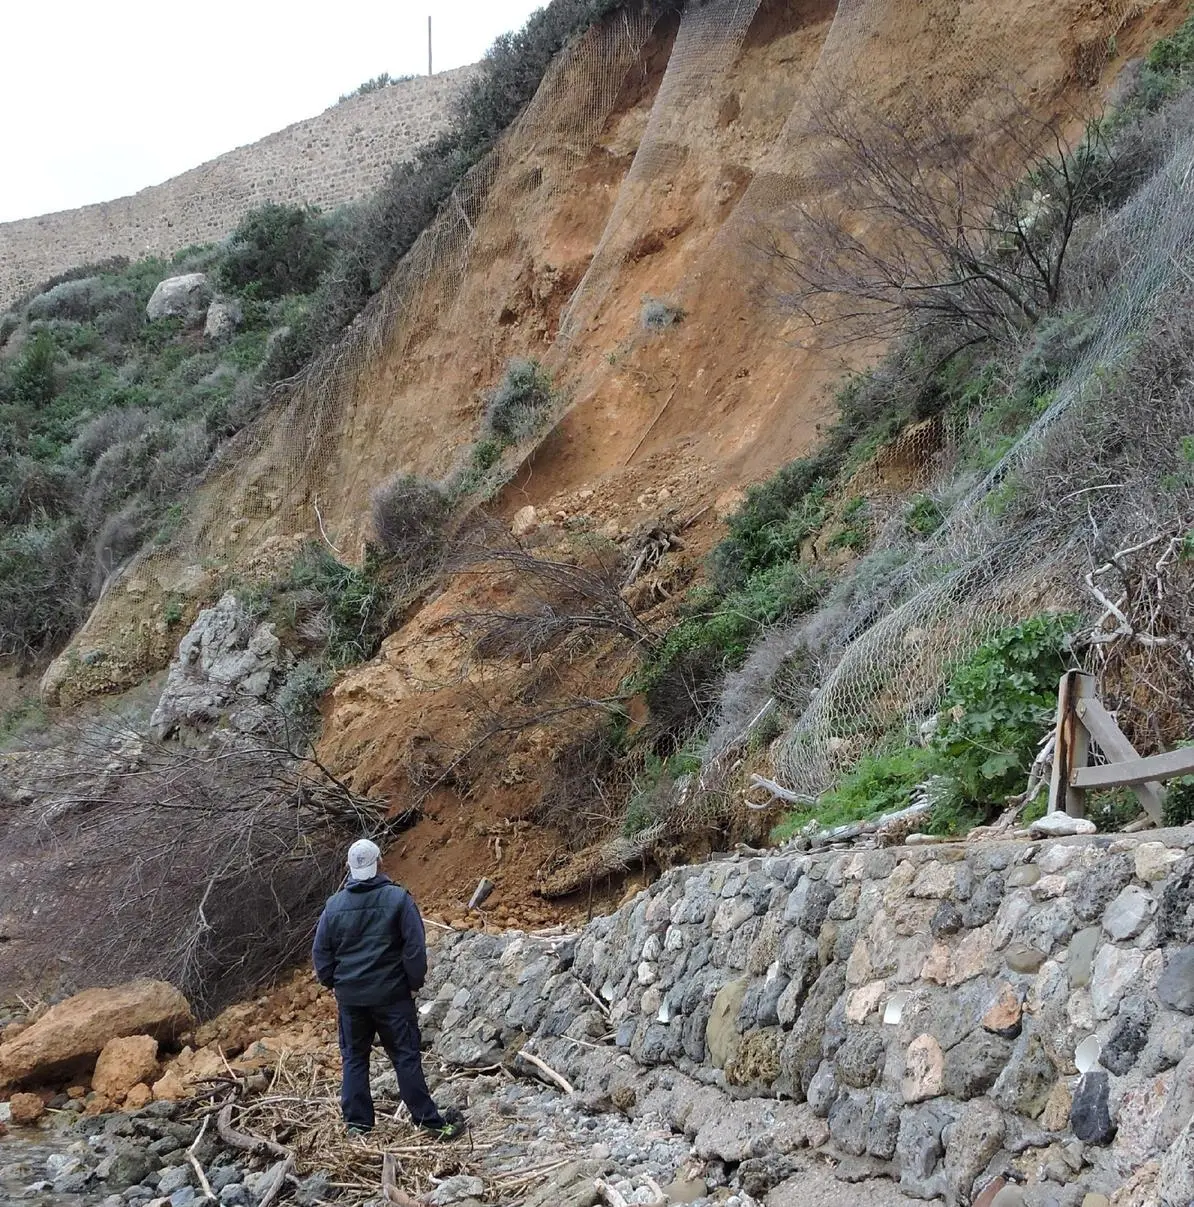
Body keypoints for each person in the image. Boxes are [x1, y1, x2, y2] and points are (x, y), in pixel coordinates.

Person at [312, 838, 464, 1140]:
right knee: (405, 1057)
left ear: (349, 868)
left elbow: (321, 955)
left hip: (352, 1000)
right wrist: (412, 983)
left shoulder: (334, 906)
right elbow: (414, 950)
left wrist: (336, 984)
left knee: (354, 1058)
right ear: (380, 863)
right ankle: (429, 1123)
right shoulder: (398, 899)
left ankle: (358, 1126)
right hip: (392, 996)